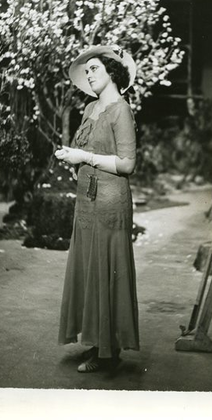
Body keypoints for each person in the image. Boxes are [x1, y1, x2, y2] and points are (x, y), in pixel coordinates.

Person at [55, 45, 140, 373]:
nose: (89, 75)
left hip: (109, 202)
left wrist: (85, 158)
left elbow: (128, 163)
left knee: (108, 269)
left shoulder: (121, 110)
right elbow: (85, 147)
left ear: (112, 73)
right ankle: (95, 341)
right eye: (87, 70)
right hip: (86, 202)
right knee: (90, 269)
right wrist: (70, 154)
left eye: (95, 69)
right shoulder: (90, 108)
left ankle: (109, 351)